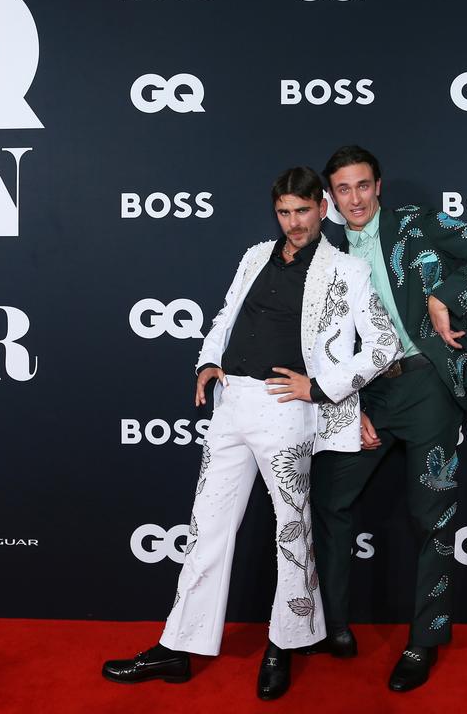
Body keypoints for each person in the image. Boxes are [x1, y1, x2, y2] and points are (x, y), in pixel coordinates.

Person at [102, 166, 402, 700]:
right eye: (285, 213)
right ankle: (178, 647)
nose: (294, 223)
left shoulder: (346, 269)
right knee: (206, 526)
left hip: (284, 408)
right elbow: (226, 315)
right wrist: (208, 361)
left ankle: (284, 644)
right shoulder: (255, 255)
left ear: (323, 209)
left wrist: (323, 387)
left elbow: (383, 345)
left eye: (303, 211)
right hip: (231, 404)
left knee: (292, 532)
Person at [307, 145, 467, 692]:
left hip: (425, 385)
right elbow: (313, 340)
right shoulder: (321, 249)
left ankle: (424, 642)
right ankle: (332, 626)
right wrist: (346, 406)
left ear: (380, 186)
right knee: (328, 502)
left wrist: (448, 296)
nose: (354, 198)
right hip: (363, 395)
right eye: (343, 190)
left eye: (362, 185)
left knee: (434, 518)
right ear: (331, 197)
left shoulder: (417, 225)